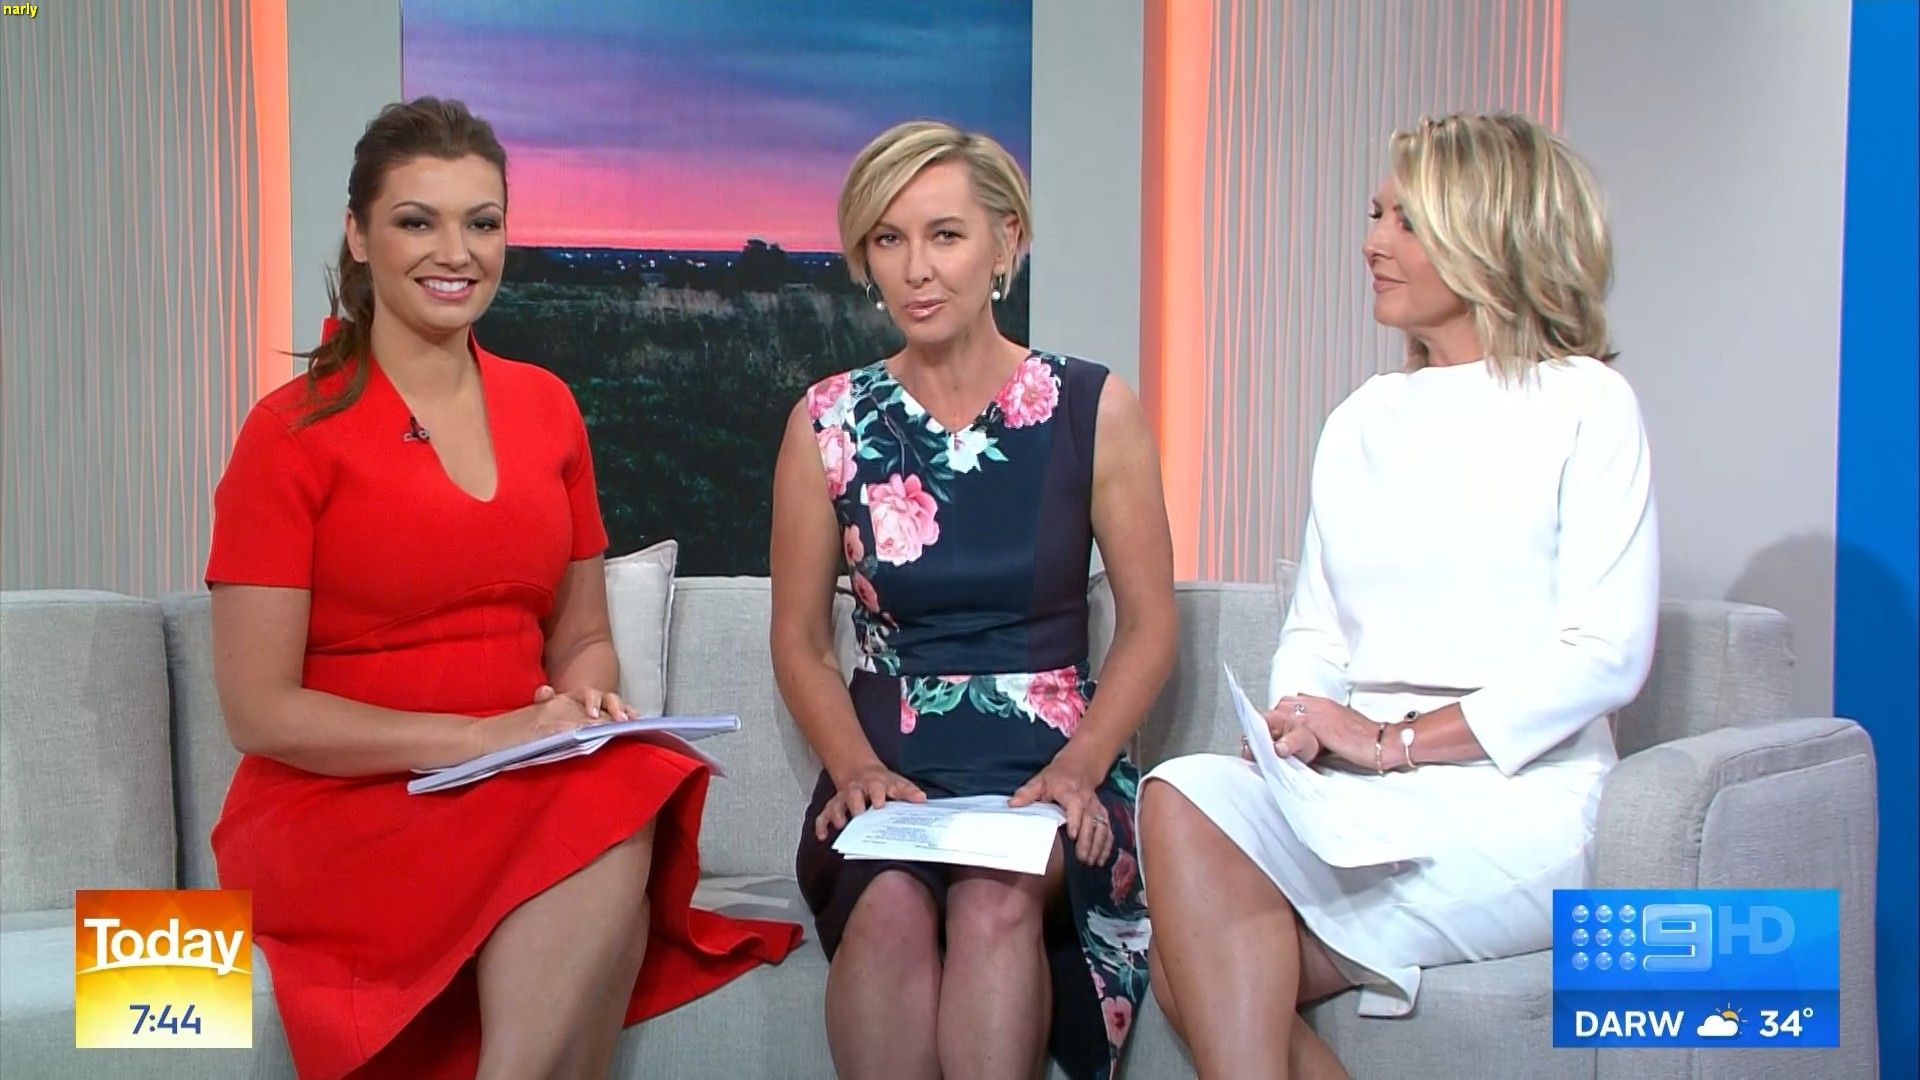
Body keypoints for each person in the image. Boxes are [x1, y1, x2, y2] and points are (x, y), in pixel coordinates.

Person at [205, 97, 798, 1079]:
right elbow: (258, 712)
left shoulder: (547, 407)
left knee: (619, 786)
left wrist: (582, 708)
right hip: (340, 810)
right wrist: (482, 740)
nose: (457, 253)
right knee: (604, 817)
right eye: (417, 221)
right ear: (358, 235)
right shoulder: (288, 435)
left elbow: (582, 640)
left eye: (482, 223)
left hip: (518, 784)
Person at [1141, 112, 1660, 1079]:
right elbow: (1317, 629)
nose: (1373, 242)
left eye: (1406, 221)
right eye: (1375, 214)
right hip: (1355, 792)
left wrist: (1392, 742)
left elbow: (1607, 656)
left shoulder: (1587, 404)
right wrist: (1300, 721)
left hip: (1520, 798)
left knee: (1192, 965)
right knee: (1180, 791)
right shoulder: (1361, 419)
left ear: (1489, 235)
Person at [770, 120, 1177, 1080]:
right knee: (887, 913)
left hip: (1049, 763)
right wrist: (854, 768)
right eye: (889, 239)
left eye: (945, 235)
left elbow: (1151, 625)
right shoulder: (827, 421)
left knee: (994, 901)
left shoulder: (1091, 406)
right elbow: (800, 643)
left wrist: (1081, 767)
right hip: (890, 764)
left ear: (1006, 242)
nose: (916, 268)